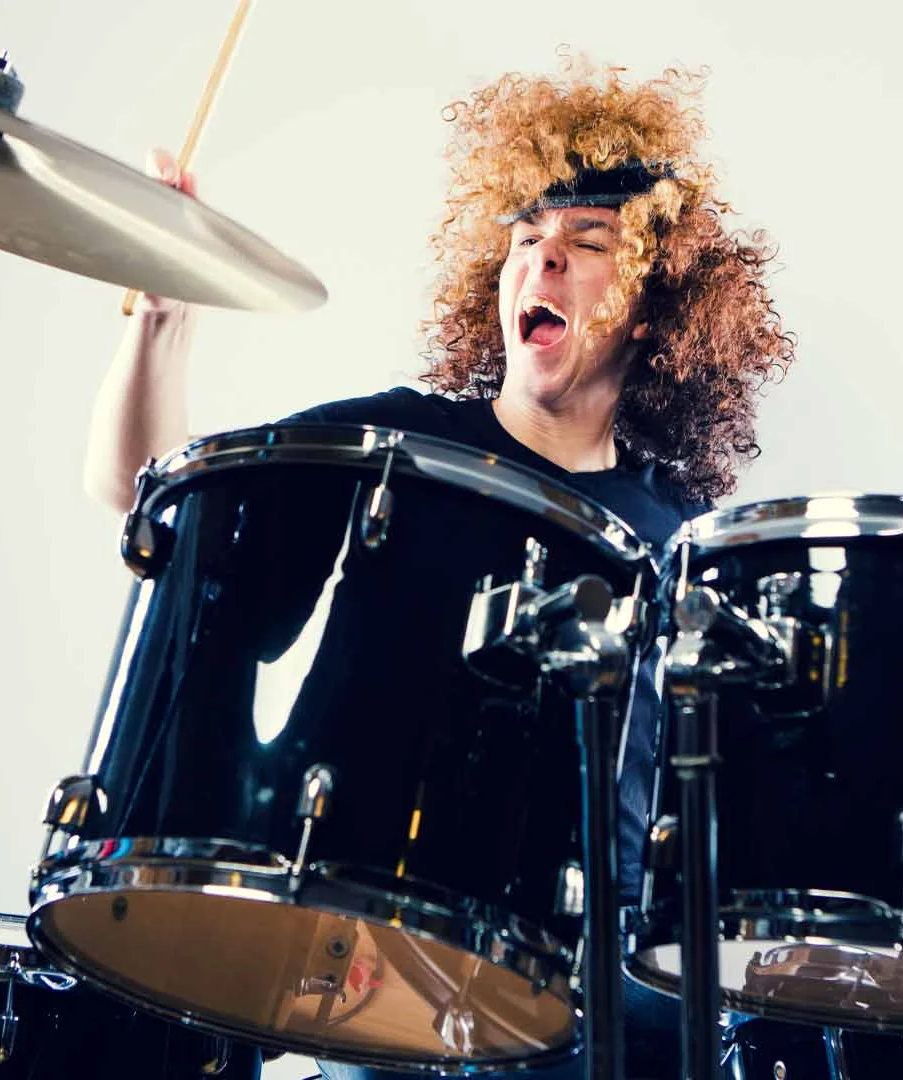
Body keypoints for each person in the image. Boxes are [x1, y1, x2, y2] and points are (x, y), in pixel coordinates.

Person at [84, 58, 795, 1080]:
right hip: (378, 962)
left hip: (596, 999)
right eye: (525, 239)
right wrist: (163, 315)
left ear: (652, 310)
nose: (544, 261)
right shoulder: (390, 450)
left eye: (589, 244)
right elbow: (145, 493)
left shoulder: (684, 540)